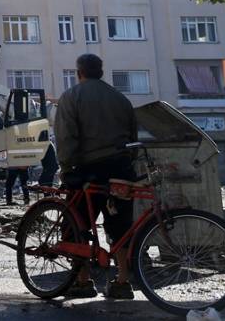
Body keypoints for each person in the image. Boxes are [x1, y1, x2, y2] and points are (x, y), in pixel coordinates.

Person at [55, 53, 138, 300]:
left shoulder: (71, 97)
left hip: (86, 171)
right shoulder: (120, 99)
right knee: (120, 224)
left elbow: (66, 137)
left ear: (79, 72)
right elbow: (132, 136)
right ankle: (122, 280)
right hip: (120, 170)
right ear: (101, 72)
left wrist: (67, 168)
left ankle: (83, 281)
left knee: (77, 224)